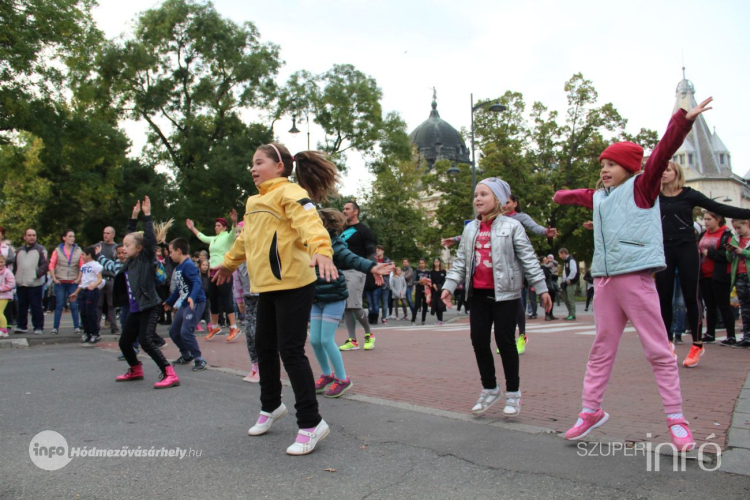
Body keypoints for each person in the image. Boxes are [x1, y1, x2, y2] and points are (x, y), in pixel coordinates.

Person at [552, 97, 712, 451]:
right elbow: (574, 194)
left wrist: (682, 122)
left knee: (658, 350)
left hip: (636, 278)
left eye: (612, 164)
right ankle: (590, 410)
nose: (605, 169)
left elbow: (661, 152)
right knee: (601, 348)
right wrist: (560, 195)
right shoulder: (600, 197)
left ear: (629, 167)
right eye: (602, 164)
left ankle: (677, 420)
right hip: (605, 281)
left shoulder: (643, 186)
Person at [214, 142, 338, 455]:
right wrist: (228, 264)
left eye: (259, 162)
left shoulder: (290, 193)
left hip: (295, 282)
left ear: (279, 166)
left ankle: (311, 423)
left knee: (290, 350)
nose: (253, 169)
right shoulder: (254, 200)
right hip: (266, 285)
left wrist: (322, 251)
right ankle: (271, 407)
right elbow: (245, 240)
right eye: (251, 164)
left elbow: (311, 224)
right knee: (264, 348)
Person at [441, 177, 551, 417]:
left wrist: (542, 288)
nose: (478, 199)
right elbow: (460, 261)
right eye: (476, 195)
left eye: (484, 194)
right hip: (478, 294)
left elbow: (529, 259)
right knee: (478, 341)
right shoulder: (471, 228)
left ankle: (513, 393)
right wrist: (448, 286)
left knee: (505, 342)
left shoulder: (512, 226)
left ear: (498, 200)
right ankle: (490, 388)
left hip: (507, 295)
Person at [657, 159, 750, 361]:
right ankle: (667, 342)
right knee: (664, 297)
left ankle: (697, 344)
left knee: (691, 297)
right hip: (664, 248)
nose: (663, 173)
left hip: (687, 248)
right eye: (661, 170)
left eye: (668, 169)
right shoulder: (653, 196)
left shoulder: (689, 194)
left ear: (676, 173)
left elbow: (723, 209)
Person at [311, 209, 392, 398]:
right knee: (314, 340)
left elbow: (352, 259)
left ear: (326, 225)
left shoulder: (334, 244)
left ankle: (342, 378)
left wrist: (372, 267)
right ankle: (326, 374)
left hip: (334, 296)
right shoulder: (309, 241)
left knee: (325, 339)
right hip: (315, 297)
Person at [114, 197, 180, 389]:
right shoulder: (129, 261)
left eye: (127, 246)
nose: (123, 249)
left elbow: (149, 240)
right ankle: (136, 369)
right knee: (125, 343)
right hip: (136, 309)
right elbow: (130, 236)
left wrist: (147, 216)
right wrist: (132, 218)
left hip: (150, 307)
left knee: (146, 340)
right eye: (123, 246)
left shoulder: (145, 259)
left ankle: (169, 373)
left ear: (140, 249)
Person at [186, 210, 239, 340]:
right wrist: (192, 228)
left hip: (224, 272)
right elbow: (202, 237)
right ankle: (214, 326)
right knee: (213, 299)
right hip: (213, 273)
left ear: (224, 227)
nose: (216, 227)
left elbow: (234, 231)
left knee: (226, 299)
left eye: (219, 225)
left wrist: (234, 221)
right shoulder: (214, 239)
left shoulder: (227, 237)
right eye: (215, 225)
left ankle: (233, 327)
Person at [338, 201, 378, 351]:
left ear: (356, 212)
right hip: (342, 271)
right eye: (343, 209)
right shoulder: (341, 230)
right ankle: (352, 340)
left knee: (355, 305)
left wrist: (374, 269)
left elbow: (371, 251)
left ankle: (369, 334)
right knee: (347, 307)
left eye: (347, 209)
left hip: (356, 271)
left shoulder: (363, 230)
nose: (344, 211)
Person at [164, 237, 208, 371]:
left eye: (171, 252)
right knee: (173, 332)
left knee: (185, 332)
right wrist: (170, 301)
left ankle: (199, 359)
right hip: (185, 303)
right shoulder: (179, 267)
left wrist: (192, 298)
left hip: (195, 302)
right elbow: (180, 288)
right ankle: (186, 354)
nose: (170, 254)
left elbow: (197, 282)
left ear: (178, 251)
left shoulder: (189, 265)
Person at [698, 211, 735, 347]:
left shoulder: (726, 235)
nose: (706, 222)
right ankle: (710, 333)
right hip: (704, 275)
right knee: (710, 306)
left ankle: (731, 335)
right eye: (704, 219)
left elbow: (728, 255)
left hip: (720, 275)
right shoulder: (703, 234)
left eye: (709, 219)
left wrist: (710, 253)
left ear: (718, 220)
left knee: (724, 305)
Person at [13, 228, 48, 334]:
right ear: (25, 237)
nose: (32, 237)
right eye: (29, 235)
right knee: (22, 306)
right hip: (21, 282)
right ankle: (22, 326)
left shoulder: (41, 249)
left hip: (34, 283)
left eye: (34, 235)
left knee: (36, 306)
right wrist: (17, 276)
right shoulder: (19, 250)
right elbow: (15, 266)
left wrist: (36, 275)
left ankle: (38, 327)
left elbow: (45, 265)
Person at [49, 230, 83, 335]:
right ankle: (55, 327)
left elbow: (81, 265)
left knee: (74, 305)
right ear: (64, 238)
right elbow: (52, 265)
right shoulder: (57, 250)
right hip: (60, 281)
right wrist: (54, 278)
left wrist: (78, 279)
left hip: (73, 281)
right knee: (59, 304)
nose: (72, 238)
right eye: (69, 236)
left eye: (73, 236)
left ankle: (76, 327)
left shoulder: (78, 250)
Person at [69, 246, 104, 344]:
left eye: (83, 255)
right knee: (83, 312)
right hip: (84, 291)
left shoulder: (96, 265)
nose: (82, 256)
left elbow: (100, 279)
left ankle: (95, 333)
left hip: (92, 291)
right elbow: (82, 282)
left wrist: (94, 285)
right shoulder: (83, 267)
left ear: (89, 255)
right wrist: (76, 292)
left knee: (91, 312)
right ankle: (87, 332)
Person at [727, 218, 750, 348]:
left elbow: (746, 254)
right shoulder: (736, 239)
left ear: (746, 223)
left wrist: (744, 252)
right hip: (740, 275)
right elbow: (729, 258)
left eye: (739, 227)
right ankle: (747, 336)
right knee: (745, 307)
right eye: (735, 228)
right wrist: (729, 251)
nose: (737, 231)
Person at [97, 226, 120, 334]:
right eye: (104, 233)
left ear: (113, 235)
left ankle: (114, 327)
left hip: (111, 279)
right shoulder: (98, 246)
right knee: (98, 304)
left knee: (112, 304)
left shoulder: (116, 248)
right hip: (100, 278)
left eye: (108, 233)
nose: (105, 235)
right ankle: (96, 327)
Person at [366, 245, 392, 325]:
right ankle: (372, 317)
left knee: (384, 302)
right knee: (374, 302)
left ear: (383, 251)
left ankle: (384, 317)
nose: (377, 251)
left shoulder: (386, 260)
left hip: (385, 284)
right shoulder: (373, 259)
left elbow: (390, 270)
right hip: (375, 283)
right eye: (376, 250)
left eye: (379, 250)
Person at [558, 248, 578, 320]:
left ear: (563, 253)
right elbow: (564, 272)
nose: (560, 256)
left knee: (570, 298)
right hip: (566, 282)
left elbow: (573, 270)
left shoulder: (571, 260)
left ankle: (572, 314)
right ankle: (570, 313)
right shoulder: (566, 261)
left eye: (560, 254)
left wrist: (569, 279)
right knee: (565, 299)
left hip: (570, 282)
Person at [411, 259, 431, 325]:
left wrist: (428, 282)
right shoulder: (416, 271)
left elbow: (431, 280)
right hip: (419, 289)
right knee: (417, 305)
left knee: (425, 306)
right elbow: (413, 281)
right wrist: (419, 282)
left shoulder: (428, 272)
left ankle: (423, 320)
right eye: (420, 263)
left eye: (422, 263)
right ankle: (413, 320)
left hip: (426, 290)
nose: (421, 265)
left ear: (425, 264)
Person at [0, 254, 15, 337]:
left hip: (5, 295)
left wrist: (1, 288)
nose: (0, 264)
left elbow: (11, 284)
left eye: (1, 262)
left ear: (5, 262)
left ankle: (4, 330)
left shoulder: (7, 272)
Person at [430, 258, 446, 325]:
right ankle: (438, 319)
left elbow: (444, 280)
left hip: (441, 289)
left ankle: (441, 319)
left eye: (437, 261)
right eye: (435, 261)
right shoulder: (432, 272)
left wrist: (442, 287)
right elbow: (432, 280)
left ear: (439, 262)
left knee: (440, 304)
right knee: (435, 304)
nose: (436, 263)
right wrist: (434, 286)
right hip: (434, 289)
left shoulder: (443, 271)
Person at [198, 259, 211, 331]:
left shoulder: (209, 275)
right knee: (200, 310)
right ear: (200, 266)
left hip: (207, 295)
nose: (205, 267)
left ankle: (209, 324)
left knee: (207, 310)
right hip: (200, 295)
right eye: (203, 265)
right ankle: (198, 324)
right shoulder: (198, 275)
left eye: (206, 265)